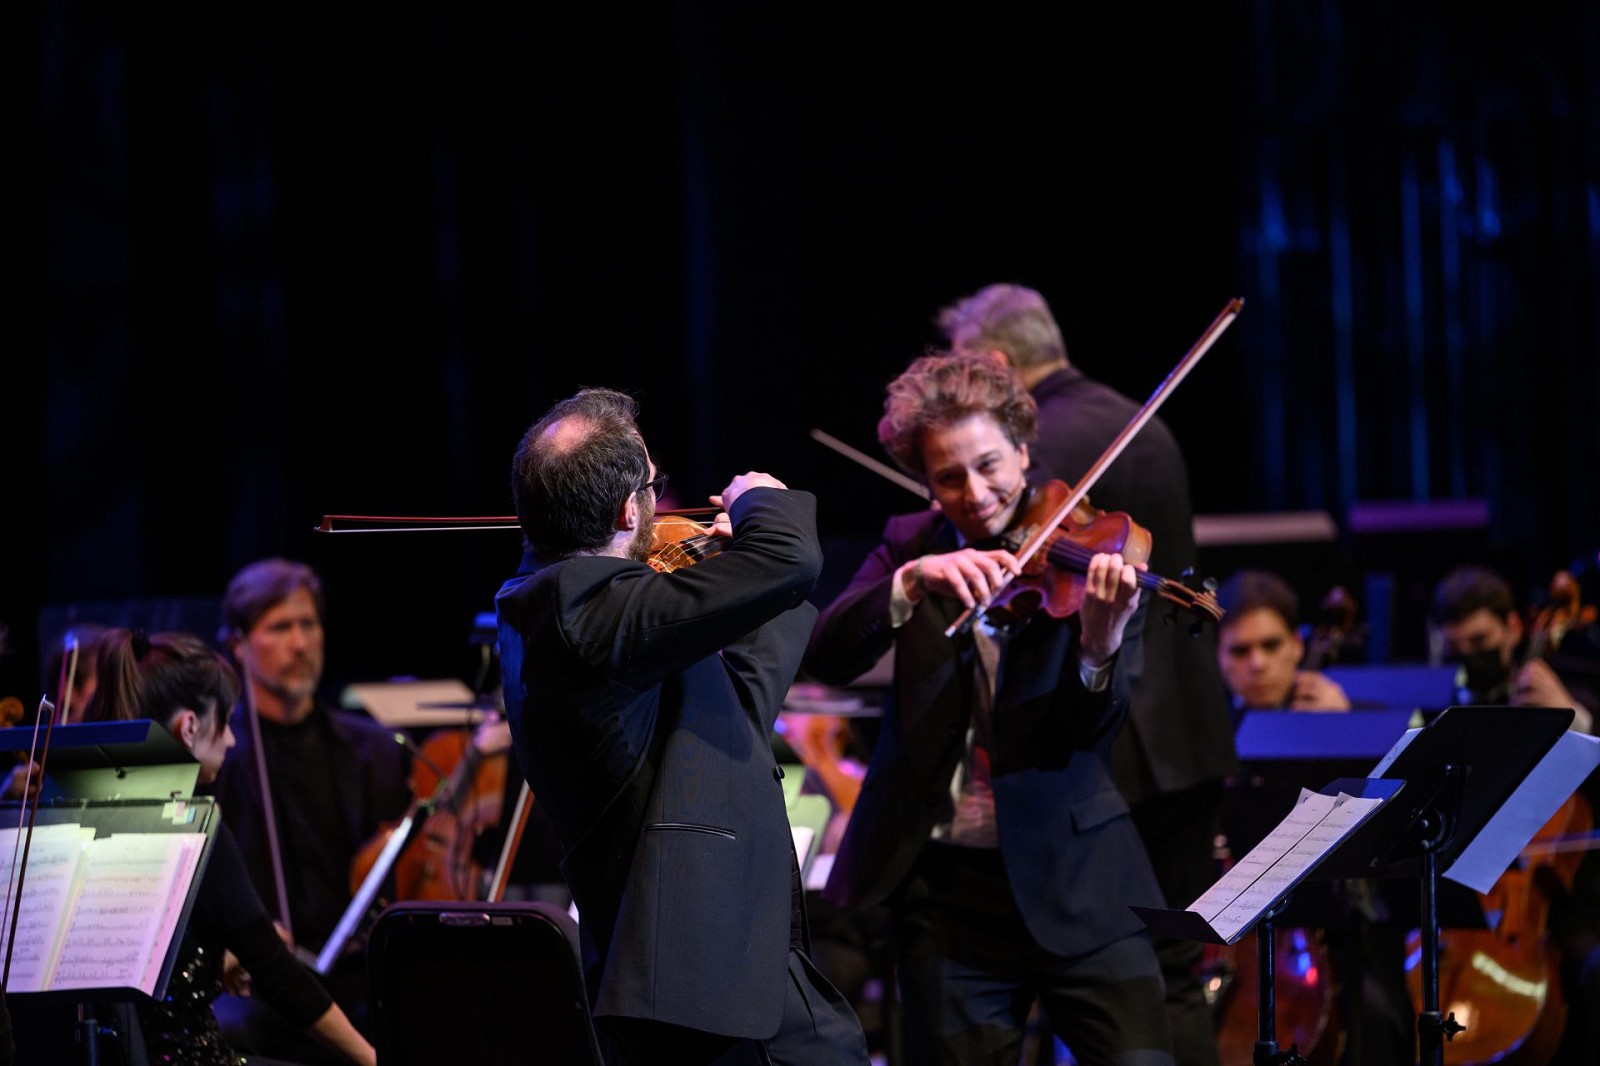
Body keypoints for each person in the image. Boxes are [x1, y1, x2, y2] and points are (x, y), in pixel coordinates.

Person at [803, 351, 1169, 1065]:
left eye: (990, 464)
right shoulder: (911, 544)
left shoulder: (1095, 549)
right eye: (947, 477)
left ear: (1024, 450)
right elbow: (827, 654)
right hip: (947, 901)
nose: (974, 493)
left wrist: (1099, 648)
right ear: (924, 482)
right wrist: (908, 583)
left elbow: (1088, 735)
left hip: (1080, 878)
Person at [494, 386, 869, 1066]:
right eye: (653, 486)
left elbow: (735, 711)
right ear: (627, 508)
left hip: (726, 959)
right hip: (691, 972)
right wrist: (760, 500)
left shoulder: (588, 609)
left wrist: (735, 585)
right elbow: (791, 557)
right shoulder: (578, 609)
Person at [938, 282, 1237, 1065]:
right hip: (1192, 734)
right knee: (1174, 969)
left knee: (1118, 973)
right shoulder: (1136, 419)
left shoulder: (1055, 440)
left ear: (997, 364)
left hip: (1114, 742)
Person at [79, 627, 376, 1066]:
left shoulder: (84, 816)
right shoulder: (191, 824)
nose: (233, 739)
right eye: (226, 721)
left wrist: (220, 959)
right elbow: (278, 974)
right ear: (190, 726)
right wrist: (371, 1057)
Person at [209, 558, 412, 1064]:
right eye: (279, 628)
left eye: (309, 624)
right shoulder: (218, 759)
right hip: (263, 986)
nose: (300, 643)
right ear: (238, 645)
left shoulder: (373, 748)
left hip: (359, 977)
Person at [1213, 568, 1414, 1066]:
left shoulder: (1344, 711)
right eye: (1239, 651)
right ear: (1218, 657)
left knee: (1378, 1016)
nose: (1257, 664)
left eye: (1271, 645)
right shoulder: (1210, 735)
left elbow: (1405, 804)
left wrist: (1346, 732)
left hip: (1345, 931)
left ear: (1299, 647)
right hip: (1236, 940)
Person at [1430, 563, 1600, 1066]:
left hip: (1565, 910)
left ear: (1515, 628)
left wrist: (1577, 719)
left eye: (1481, 640)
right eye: (1457, 647)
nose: (1470, 657)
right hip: (1466, 905)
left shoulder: (1574, 693)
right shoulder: (1442, 708)